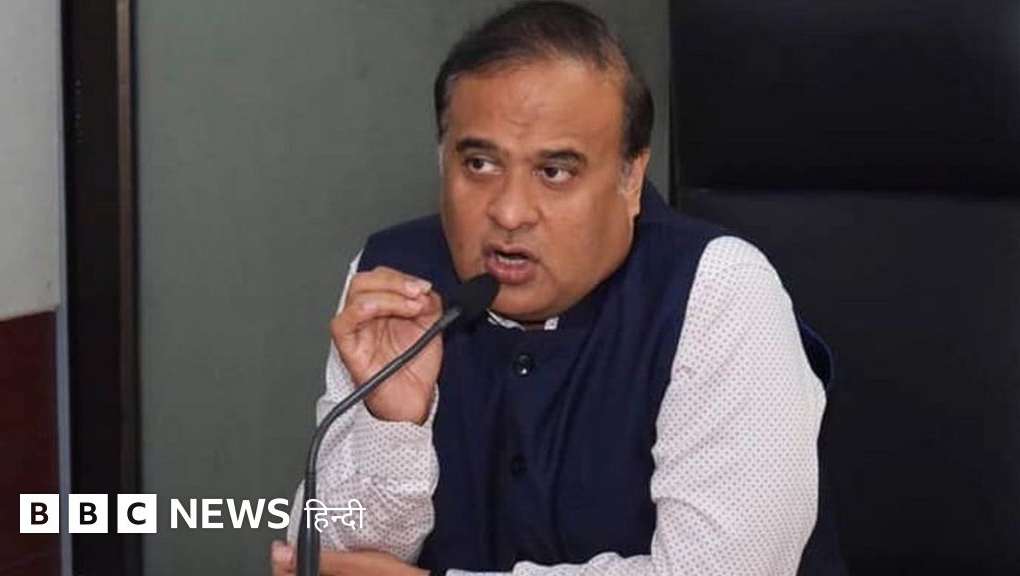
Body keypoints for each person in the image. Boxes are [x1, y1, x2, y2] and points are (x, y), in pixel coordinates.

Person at [271, 2, 835, 574]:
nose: (510, 212)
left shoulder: (717, 291)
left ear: (631, 177)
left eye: (554, 172)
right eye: (480, 164)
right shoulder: (396, 281)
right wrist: (394, 427)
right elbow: (320, 555)